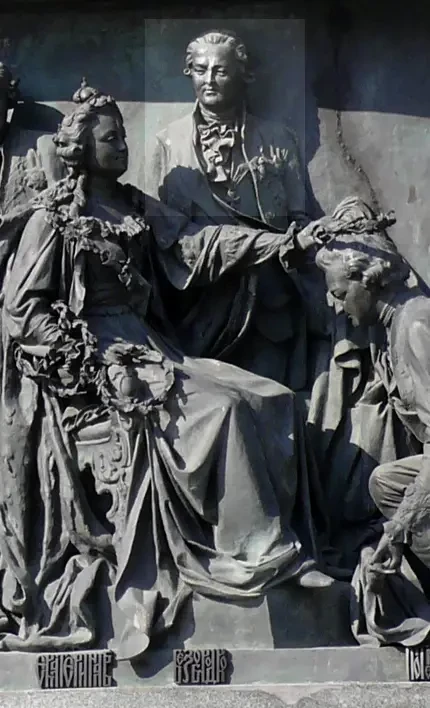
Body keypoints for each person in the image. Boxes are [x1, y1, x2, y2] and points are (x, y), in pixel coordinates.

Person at [0, 81, 334, 659]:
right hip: (101, 360)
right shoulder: (52, 220)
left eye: (123, 136)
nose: (122, 146)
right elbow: (24, 311)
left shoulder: (136, 208)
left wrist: (280, 243)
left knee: (270, 397)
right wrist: (91, 367)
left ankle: (285, 552)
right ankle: (257, 555)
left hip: (153, 347)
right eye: (110, 138)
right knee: (222, 410)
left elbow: (199, 246)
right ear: (80, 147)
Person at [315, 218, 430, 646]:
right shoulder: (388, 331)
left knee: (396, 500)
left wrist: (398, 530)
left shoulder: (416, 325)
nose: (336, 305)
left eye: (339, 293)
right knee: (385, 482)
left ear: (368, 279)